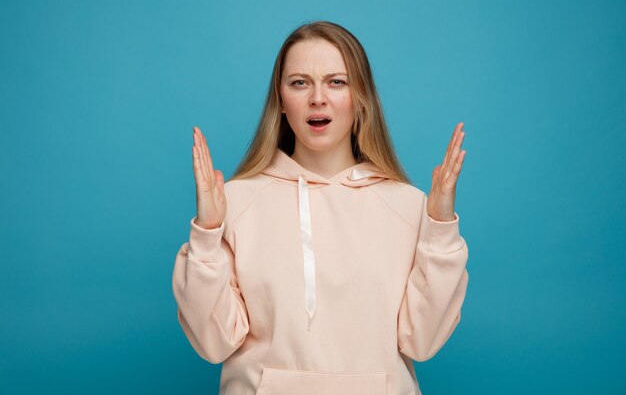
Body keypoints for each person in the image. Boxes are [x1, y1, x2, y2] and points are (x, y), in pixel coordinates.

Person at [172, 21, 469, 395]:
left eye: (336, 81)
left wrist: (439, 227)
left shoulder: (407, 206)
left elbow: (423, 342)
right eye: (300, 82)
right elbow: (213, 342)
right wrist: (207, 233)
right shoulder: (236, 202)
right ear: (280, 100)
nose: (317, 98)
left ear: (361, 98)